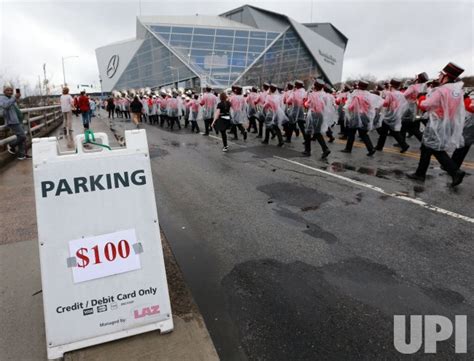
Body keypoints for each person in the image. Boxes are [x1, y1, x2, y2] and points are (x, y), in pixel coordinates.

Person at [407, 62, 466, 187]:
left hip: (437, 123)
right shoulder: (457, 90)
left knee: (435, 149)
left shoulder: (441, 90)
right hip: (448, 123)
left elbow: (426, 105)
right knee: (427, 148)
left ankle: (455, 171)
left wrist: (421, 98)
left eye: (440, 74)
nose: (438, 77)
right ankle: (420, 173)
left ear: (445, 76)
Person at [341, 80, 379, 156]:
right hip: (365, 115)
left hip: (356, 115)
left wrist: (346, 108)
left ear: (359, 86)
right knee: (363, 133)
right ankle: (371, 148)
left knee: (351, 132)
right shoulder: (368, 95)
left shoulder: (356, 95)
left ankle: (348, 149)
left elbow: (352, 106)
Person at [375, 79, 409, 152]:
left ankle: (379, 146)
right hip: (396, 115)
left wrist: (381, 107)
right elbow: (405, 105)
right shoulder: (401, 94)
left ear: (391, 85)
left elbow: (386, 104)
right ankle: (404, 145)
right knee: (393, 132)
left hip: (389, 115)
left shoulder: (390, 94)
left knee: (384, 132)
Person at [1, 83, 31, 160]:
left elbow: (15, 108)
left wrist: (16, 98)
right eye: (7, 90)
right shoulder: (2, 98)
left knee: (20, 137)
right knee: (22, 136)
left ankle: (21, 155)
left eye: (11, 90)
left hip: (17, 120)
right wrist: (14, 98)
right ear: (4, 91)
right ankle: (11, 145)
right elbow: (5, 105)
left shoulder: (11, 98)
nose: (10, 91)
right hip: (12, 121)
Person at [302, 79, 331, 158]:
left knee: (308, 132)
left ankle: (307, 151)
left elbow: (307, 105)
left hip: (312, 114)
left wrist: (305, 102)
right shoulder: (325, 95)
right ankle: (325, 149)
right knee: (317, 132)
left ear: (315, 86)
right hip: (320, 115)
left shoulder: (312, 94)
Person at [450, 92, 474, 170]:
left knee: (463, 145)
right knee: (462, 144)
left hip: (469, 124)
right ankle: (453, 164)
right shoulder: (470, 97)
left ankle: (453, 166)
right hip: (467, 123)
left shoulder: (469, 98)